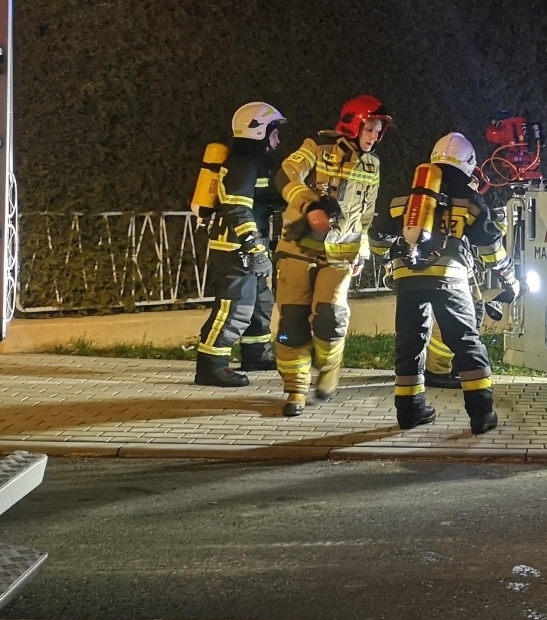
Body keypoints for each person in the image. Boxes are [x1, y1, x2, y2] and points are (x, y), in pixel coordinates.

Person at [372, 132, 520, 433]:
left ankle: (410, 413)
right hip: (450, 279)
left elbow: (376, 238)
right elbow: (491, 250)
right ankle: (481, 415)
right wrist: (510, 280)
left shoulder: (405, 196)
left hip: (407, 277)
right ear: (468, 164)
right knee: (466, 343)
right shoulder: (470, 200)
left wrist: (390, 259)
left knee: (409, 345)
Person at [273, 94, 390, 417]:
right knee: (292, 323)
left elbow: (366, 215)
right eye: (370, 129)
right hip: (297, 250)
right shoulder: (316, 148)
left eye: (378, 131)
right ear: (353, 124)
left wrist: (362, 253)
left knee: (330, 320)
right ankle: (295, 388)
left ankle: (328, 368)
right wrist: (311, 204)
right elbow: (286, 174)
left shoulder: (372, 166)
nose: (374, 137)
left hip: (341, 256)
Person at [195, 102, 286, 386]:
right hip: (235, 248)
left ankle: (256, 354)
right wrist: (252, 244)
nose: (278, 139)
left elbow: (262, 200)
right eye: (274, 133)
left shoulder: (256, 164)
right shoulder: (243, 164)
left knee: (260, 302)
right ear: (259, 132)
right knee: (236, 307)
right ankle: (212, 365)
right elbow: (237, 208)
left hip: (247, 246)